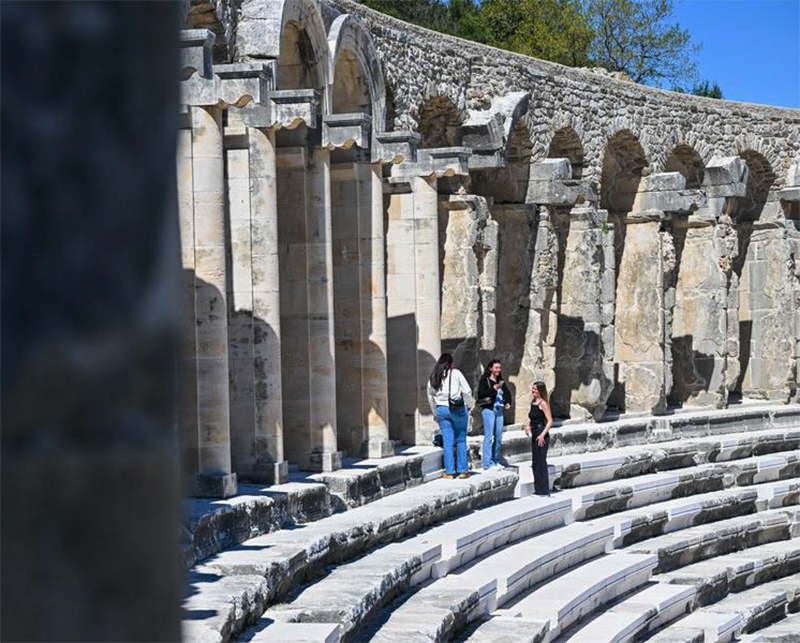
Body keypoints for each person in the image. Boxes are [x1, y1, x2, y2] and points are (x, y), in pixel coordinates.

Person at [427, 353, 475, 479]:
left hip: (441, 409)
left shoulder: (434, 377)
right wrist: (469, 405)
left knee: (447, 441)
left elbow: (430, 396)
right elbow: (467, 391)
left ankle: (449, 472)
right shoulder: (456, 374)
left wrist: (435, 412)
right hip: (457, 408)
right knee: (460, 439)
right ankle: (463, 470)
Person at [476, 360, 512, 470]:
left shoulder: (500, 381)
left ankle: (495, 459)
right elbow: (481, 394)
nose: (498, 370)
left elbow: (507, 393)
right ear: (491, 368)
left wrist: (508, 402)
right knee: (489, 436)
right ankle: (487, 463)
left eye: (499, 368)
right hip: (489, 409)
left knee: (499, 436)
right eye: (496, 368)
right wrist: (493, 389)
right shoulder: (485, 380)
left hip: (499, 410)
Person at [525, 381, 553, 496]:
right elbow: (533, 419)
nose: (533, 391)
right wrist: (528, 427)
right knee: (535, 462)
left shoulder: (543, 403)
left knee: (541, 462)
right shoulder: (533, 402)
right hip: (534, 433)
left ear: (540, 390)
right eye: (533, 389)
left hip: (542, 434)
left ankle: (544, 490)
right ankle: (538, 489)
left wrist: (542, 434)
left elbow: (550, 421)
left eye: (535, 389)